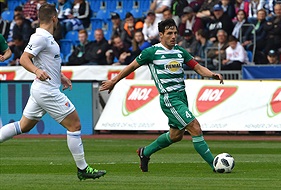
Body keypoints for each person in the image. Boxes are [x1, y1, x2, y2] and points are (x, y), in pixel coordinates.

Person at [99, 19, 223, 173]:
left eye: (175, 33)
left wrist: (212, 74)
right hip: (169, 98)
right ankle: (215, 165)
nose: (173, 36)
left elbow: (197, 67)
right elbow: (131, 67)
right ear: (161, 35)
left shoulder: (180, 51)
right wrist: (114, 81)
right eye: (169, 33)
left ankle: (145, 152)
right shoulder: (152, 52)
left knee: (176, 135)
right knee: (195, 127)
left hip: (182, 97)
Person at [0, 4, 106, 180]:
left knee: (23, 126)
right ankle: (83, 169)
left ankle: (82, 169)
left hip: (41, 89)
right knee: (75, 125)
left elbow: (47, 63)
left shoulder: (47, 38)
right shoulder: (40, 37)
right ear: (54, 18)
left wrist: (60, 76)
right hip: (47, 91)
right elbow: (24, 59)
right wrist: (36, 71)